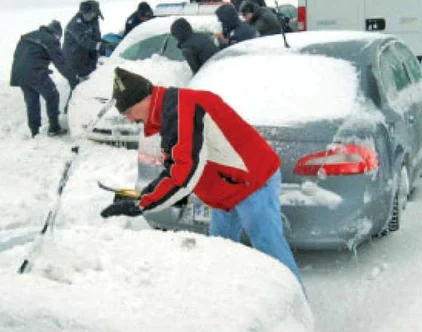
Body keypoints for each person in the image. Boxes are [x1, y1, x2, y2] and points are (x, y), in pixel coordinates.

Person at [100, 67, 305, 289]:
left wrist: (142, 203)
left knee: (271, 252)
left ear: (144, 98)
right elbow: (177, 164)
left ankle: (296, 311)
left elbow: (183, 173)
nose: (130, 120)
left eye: (129, 111)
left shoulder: (182, 108)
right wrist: (144, 197)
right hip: (226, 190)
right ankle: (226, 301)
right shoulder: (170, 111)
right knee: (220, 250)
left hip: (253, 183)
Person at [10, 20, 80, 137]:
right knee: (52, 96)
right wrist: (73, 79)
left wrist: (42, 68)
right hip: (35, 73)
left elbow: (26, 56)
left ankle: (34, 131)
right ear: (56, 34)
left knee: (32, 101)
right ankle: (54, 128)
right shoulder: (50, 39)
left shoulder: (29, 35)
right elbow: (61, 63)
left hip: (20, 74)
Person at [63, 0, 103, 79]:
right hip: (74, 58)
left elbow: (96, 38)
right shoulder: (75, 24)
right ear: (83, 12)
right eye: (90, 14)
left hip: (88, 55)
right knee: (82, 82)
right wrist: (99, 46)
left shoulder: (93, 20)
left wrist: (104, 44)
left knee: (92, 74)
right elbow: (83, 41)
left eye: (94, 14)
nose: (92, 16)